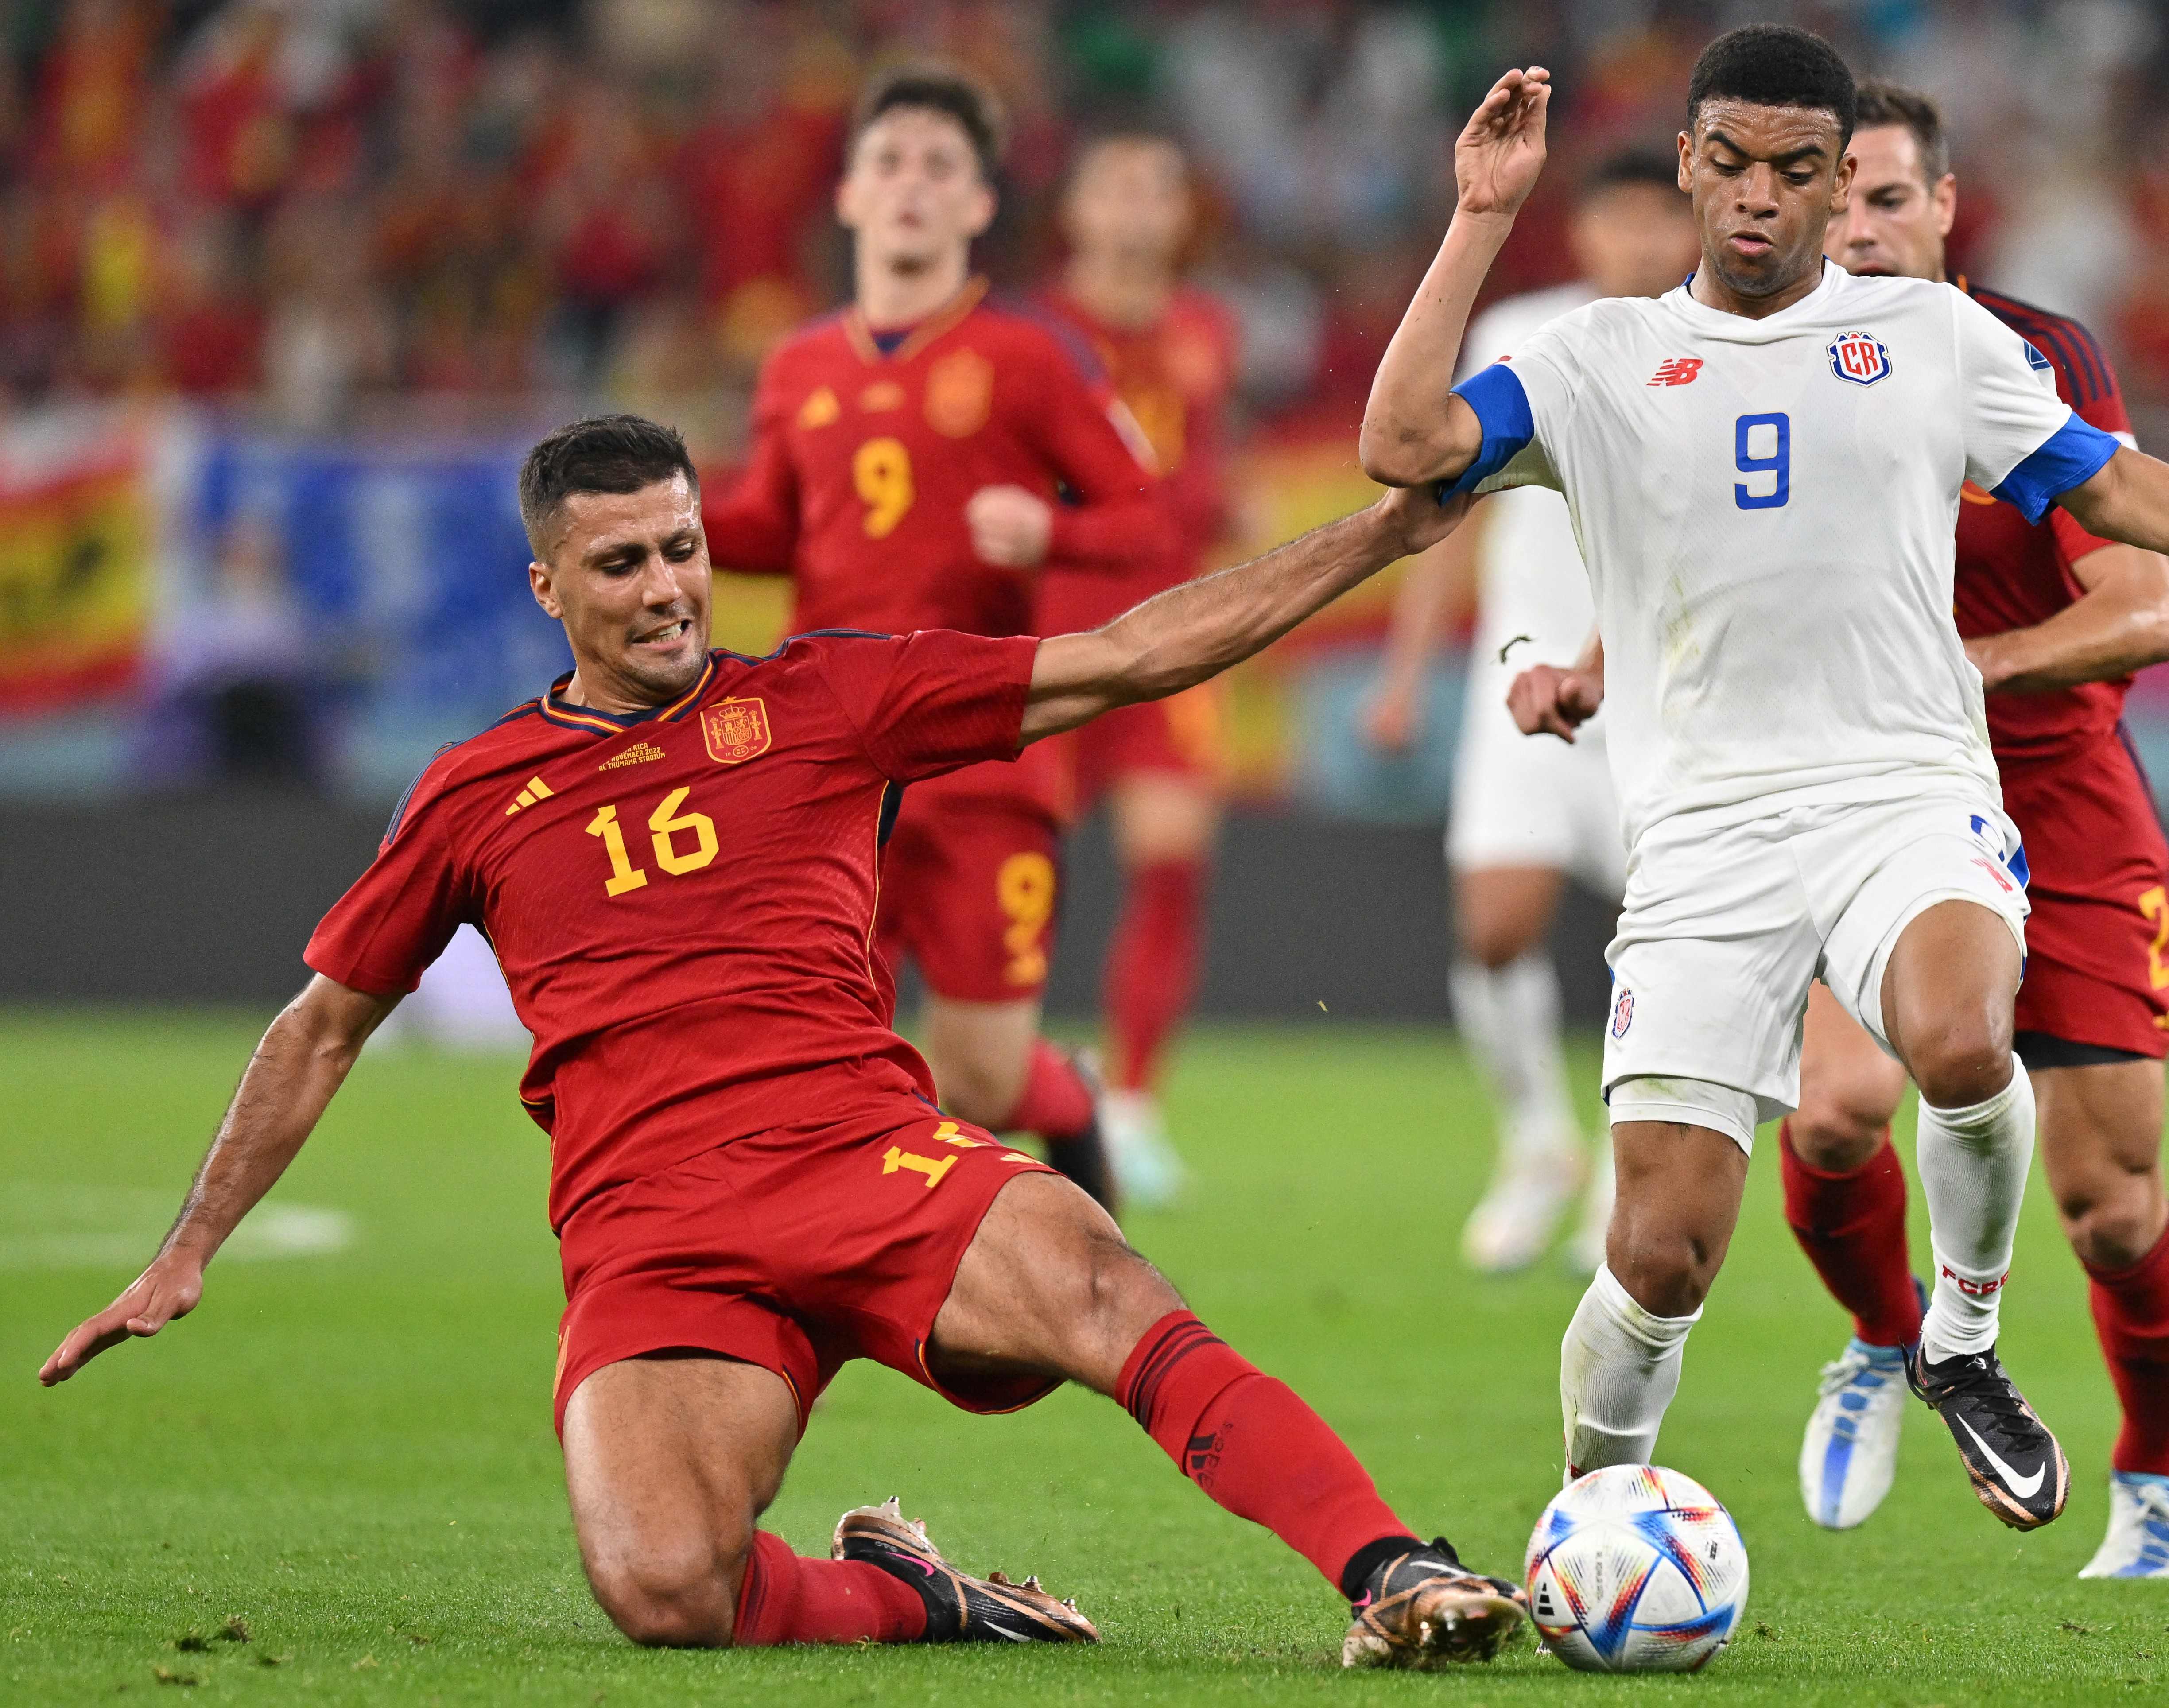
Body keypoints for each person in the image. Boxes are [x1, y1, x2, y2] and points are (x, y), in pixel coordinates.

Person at [39, 414, 1528, 1671]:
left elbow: (1129, 654)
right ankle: (915, 1591)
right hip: (653, 1228)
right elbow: (322, 1024)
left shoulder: (825, 696)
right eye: (622, 564)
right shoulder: (473, 793)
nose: (669, 588)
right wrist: (189, 1244)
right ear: (548, 583)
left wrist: (1378, 536)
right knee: (665, 1586)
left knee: (1096, 1276)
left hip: (859, 1155)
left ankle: (1388, 1566)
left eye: (682, 546)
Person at [1360, 27, 2169, 1533]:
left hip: (1905, 786)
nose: (1763, 201)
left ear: (1838, 177)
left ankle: (1961, 1345)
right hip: (1705, 837)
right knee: (1657, 1254)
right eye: (1730, 165)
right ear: (1686, 166)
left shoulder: (1934, 341)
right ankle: (1590, 1519)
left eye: (1803, 172)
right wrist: (1478, 214)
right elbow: (1401, 443)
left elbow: (2102, 479)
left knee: (1958, 1032)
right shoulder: (1595, 360)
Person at [1785, 81, 2169, 1577]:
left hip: (2059, 791)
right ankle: (1891, 1341)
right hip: (1871, 795)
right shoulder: (1765, 357)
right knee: (1833, 1109)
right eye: (1830, 203)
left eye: (1883, 200)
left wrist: (1958, 667)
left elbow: (2141, 607)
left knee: (2108, 1206)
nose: (1854, 230)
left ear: (1946, 209)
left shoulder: (2031, 361)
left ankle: (2156, 1472)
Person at [702, 69, 1171, 1210]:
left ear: (977, 207)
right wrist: (664, 517)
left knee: (981, 1071)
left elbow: (1149, 517)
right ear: (852, 196)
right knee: (827, 1043)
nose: (912, 184)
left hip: (980, 759)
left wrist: (1047, 531)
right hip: (832, 762)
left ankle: (1072, 1096)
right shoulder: (799, 364)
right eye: (892, 162)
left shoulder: (1030, 356)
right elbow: (774, 523)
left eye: (939, 167)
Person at [1360, 148, 1696, 1274]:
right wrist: (1408, 678)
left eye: (1666, 218)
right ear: (1587, 231)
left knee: (1663, 942)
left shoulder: (1723, 343)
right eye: (1622, 217)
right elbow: (1442, 510)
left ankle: (1621, 1160)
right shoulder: (1526, 333)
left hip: (1667, 697)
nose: (1645, 240)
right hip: (1526, 681)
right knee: (1494, 925)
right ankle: (1537, 1142)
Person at [1036, 130, 1242, 1207]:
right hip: (1048, 634)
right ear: (1073, 210)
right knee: (1018, 868)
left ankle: (1136, 1104)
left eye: (1157, 187)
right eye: (1114, 182)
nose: (1135, 208)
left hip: (1169, 636)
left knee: (1171, 861)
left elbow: (1206, 476)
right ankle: (1001, 1073)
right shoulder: (1028, 334)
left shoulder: (1207, 331)